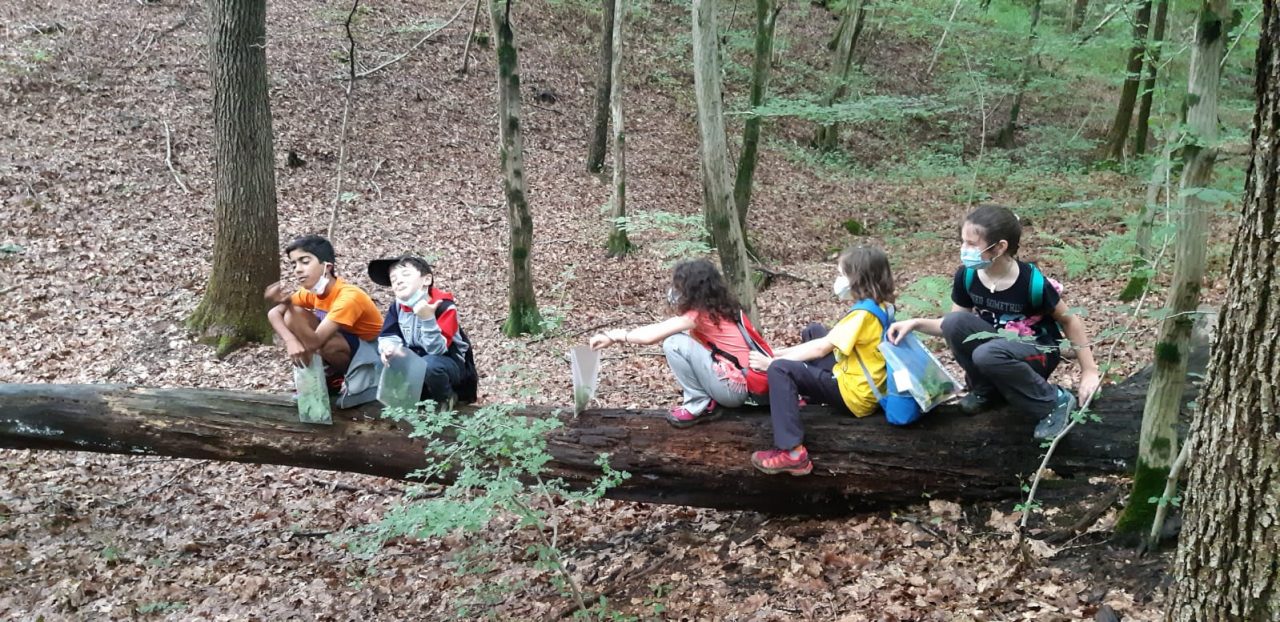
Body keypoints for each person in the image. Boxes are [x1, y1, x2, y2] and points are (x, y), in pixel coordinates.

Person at [886, 204, 1101, 441]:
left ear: (999, 247)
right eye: (962, 242)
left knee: (987, 354)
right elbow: (953, 323)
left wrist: (1089, 371)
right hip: (998, 347)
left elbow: (1070, 321)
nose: (963, 250)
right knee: (956, 323)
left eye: (971, 244)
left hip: (1036, 350)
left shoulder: (1031, 282)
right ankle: (986, 390)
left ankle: (1053, 402)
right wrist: (915, 323)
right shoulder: (967, 276)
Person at [746, 246, 895, 476]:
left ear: (857, 279)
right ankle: (804, 401)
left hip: (854, 395)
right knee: (814, 331)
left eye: (842, 275)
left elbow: (820, 349)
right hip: (861, 383)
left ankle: (792, 453)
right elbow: (825, 340)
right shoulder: (880, 306)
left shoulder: (862, 315)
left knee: (780, 371)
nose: (838, 280)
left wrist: (771, 361)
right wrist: (777, 352)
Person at [589, 259, 771, 427]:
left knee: (674, 343)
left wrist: (614, 336)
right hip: (741, 386)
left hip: (734, 390)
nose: (676, 291)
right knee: (682, 340)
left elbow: (650, 336)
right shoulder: (720, 309)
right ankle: (705, 401)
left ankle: (699, 405)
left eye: (679, 286)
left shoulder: (699, 314)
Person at [264, 235, 385, 407]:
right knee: (294, 316)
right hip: (347, 345)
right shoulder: (311, 292)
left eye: (305, 261)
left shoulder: (349, 297)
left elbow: (315, 343)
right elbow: (274, 313)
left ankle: (337, 377)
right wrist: (290, 340)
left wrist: (289, 305)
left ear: (327, 267)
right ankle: (328, 378)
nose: (297, 269)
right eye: (294, 264)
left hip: (375, 355)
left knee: (300, 320)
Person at [367, 255, 477, 407]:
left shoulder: (444, 307)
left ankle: (446, 399)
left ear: (426, 280)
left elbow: (437, 350)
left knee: (430, 365)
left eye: (405, 275)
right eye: (393, 279)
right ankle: (403, 404)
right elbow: (388, 335)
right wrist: (389, 348)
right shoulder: (398, 307)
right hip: (415, 361)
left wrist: (427, 319)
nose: (398, 281)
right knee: (381, 361)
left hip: (449, 364)